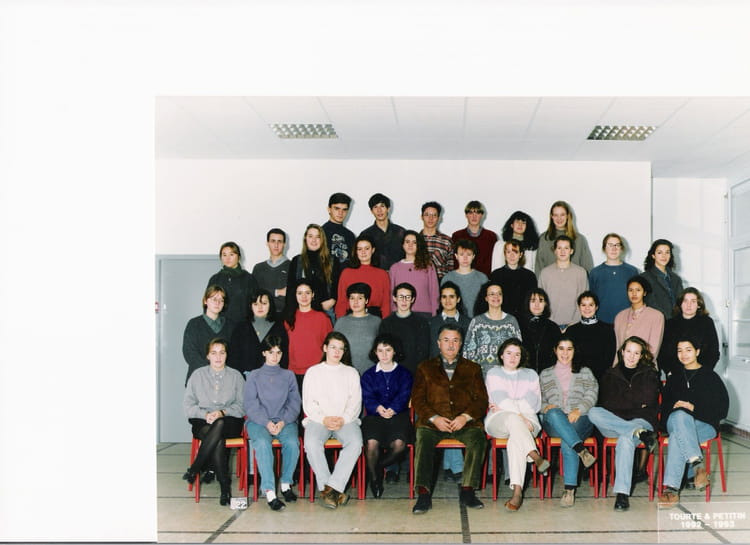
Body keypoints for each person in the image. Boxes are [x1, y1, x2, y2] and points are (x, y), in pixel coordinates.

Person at [411, 323, 489, 514]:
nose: (451, 345)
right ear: (438, 343)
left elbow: (481, 400)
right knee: (422, 439)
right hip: (433, 424)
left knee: (478, 439)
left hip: (464, 423)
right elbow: (418, 399)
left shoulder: (472, 368)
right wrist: (434, 418)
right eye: (446, 340)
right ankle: (423, 494)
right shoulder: (425, 367)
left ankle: (468, 490)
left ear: (461, 344)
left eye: (455, 340)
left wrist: (465, 417)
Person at [588, 336, 660, 511]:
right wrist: (634, 402)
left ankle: (622, 494)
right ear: (622, 352)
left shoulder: (649, 374)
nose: (631, 356)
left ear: (641, 355)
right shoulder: (609, 374)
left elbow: (648, 399)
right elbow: (607, 403)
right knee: (593, 412)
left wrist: (624, 402)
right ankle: (639, 433)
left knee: (626, 440)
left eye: (636, 353)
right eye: (628, 351)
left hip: (641, 420)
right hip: (616, 424)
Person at [658, 337, 729, 509]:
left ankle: (671, 489)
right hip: (675, 422)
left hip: (704, 426)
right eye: (679, 350)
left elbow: (721, 410)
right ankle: (697, 466)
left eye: (688, 350)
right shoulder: (674, 377)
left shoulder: (711, 377)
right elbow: (663, 409)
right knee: (679, 417)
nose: (683, 354)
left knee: (677, 437)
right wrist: (676, 408)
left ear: (697, 351)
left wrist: (693, 408)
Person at [484, 338, 550, 511]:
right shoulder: (494, 373)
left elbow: (533, 404)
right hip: (498, 420)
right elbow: (500, 399)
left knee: (516, 438)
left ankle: (517, 493)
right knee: (514, 420)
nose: (513, 358)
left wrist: (509, 406)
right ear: (501, 355)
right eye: (509, 353)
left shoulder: (531, 375)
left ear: (522, 356)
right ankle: (535, 455)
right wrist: (519, 413)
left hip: (529, 421)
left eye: (517, 354)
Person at [302, 332, 363, 509]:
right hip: (319, 419)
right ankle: (332, 490)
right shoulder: (313, 372)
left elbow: (355, 402)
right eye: (333, 347)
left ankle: (331, 488)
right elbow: (309, 403)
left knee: (355, 443)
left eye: (341, 349)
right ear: (325, 348)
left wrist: (343, 419)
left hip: (346, 420)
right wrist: (324, 418)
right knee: (311, 443)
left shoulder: (351, 372)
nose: (337, 352)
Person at [183, 338, 245, 506]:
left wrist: (223, 412)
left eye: (222, 353)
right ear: (207, 356)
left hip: (229, 420)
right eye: (214, 353)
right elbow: (188, 406)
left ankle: (195, 468)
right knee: (217, 437)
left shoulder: (236, 376)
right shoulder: (197, 375)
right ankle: (225, 488)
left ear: (227, 355)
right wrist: (205, 415)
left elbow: (242, 406)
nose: (218, 357)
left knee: (220, 424)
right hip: (203, 422)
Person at [539, 336, 598, 508]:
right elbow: (538, 400)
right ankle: (581, 450)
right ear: (555, 350)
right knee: (554, 413)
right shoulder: (545, 374)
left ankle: (569, 490)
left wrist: (578, 410)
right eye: (561, 348)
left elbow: (592, 394)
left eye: (569, 349)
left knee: (568, 438)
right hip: (554, 421)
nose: (565, 353)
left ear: (574, 351)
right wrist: (545, 407)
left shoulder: (585, 372)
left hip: (580, 419)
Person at [243, 336, 301, 511]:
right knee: (262, 443)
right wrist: (266, 422)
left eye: (278, 352)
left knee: (292, 443)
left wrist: (283, 421)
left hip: (284, 421)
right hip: (258, 421)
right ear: (264, 353)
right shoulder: (254, 376)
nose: (275, 356)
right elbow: (250, 405)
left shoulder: (288, 375)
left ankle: (285, 484)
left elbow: (294, 403)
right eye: (271, 352)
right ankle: (269, 492)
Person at [360, 333, 414, 498]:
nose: (384, 354)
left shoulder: (405, 373)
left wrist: (393, 409)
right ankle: (374, 479)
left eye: (388, 350)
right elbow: (367, 397)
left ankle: (376, 466)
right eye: (380, 350)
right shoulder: (368, 375)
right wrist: (378, 408)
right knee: (371, 444)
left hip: (398, 416)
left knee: (399, 445)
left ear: (394, 351)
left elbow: (404, 395)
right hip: (374, 417)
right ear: (375, 352)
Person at [463, 282, 522, 378]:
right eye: (492, 294)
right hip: (482, 378)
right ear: (486, 298)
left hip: (507, 378)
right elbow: (468, 353)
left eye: (499, 293)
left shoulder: (511, 322)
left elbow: (519, 351)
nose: (496, 296)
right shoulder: (477, 322)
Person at [284, 279, 333, 393]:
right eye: (300, 293)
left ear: (313, 295)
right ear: (295, 295)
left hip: (317, 371)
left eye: (307, 292)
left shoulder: (322, 318)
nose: (304, 296)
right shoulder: (288, 318)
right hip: (294, 372)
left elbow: (330, 345)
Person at [660, 287, 720, 378]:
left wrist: (704, 371)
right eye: (685, 301)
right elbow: (663, 351)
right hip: (675, 373)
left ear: (699, 305)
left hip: (700, 373)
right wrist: (669, 371)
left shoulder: (707, 322)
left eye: (693, 301)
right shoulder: (670, 323)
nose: (689, 305)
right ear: (680, 304)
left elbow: (713, 351)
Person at [286, 224, 341, 322]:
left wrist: (332, 300)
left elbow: (338, 285)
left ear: (322, 240)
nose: (314, 240)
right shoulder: (297, 261)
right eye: (310, 236)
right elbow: (290, 289)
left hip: (325, 310)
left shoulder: (332, 261)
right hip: (302, 310)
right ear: (305, 239)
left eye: (318, 237)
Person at [182, 285, 236, 385]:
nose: (217, 303)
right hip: (199, 379)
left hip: (224, 380)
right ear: (205, 301)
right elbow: (189, 353)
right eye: (214, 299)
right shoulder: (194, 324)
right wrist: (210, 373)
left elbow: (234, 354)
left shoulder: (231, 326)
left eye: (221, 300)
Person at [228, 288, 289, 376]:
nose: (260, 307)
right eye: (255, 304)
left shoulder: (279, 327)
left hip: (272, 377)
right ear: (250, 306)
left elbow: (284, 357)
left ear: (270, 304)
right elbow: (233, 358)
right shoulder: (240, 327)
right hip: (245, 378)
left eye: (264, 303)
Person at [378, 282, 430, 376]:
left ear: (413, 299)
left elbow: (423, 351)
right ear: (394, 298)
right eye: (401, 297)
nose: (404, 301)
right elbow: (383, 349)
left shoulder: (421, 322)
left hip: (415, 371)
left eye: (408, 297)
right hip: (392, 370)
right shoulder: (386, 323)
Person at [538, 235, 589, 330]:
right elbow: (541, 301)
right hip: (550, 325)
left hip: (575, 325)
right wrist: (550, 324)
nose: (562, 251)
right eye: (559, 248)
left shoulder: (581, 273)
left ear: (571, 251)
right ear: (555, 251)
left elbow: (584, 301)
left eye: (566, 248)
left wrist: (573, 324)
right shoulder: (545, 273)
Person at [335, 234, 392, 319]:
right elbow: (341, 302)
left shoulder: (383, 274)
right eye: (359, 249)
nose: (363, 252)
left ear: (373, 250)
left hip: (375, 318)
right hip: (351, 318)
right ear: (356, 251)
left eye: (367, 248)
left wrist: (385, 324)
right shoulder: (346, 273)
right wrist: (341, 322)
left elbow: (386, 304)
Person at [565, 291, 616, 382]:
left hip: (600, 378)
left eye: (591, 305)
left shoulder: (607, 329)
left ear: (596, 307)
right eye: (583, 305)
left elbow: (609, 358)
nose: (587, 308)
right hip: (576, 378)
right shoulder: (571, 330)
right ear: (579, 307)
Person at [588, 233, 639, 324]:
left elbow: (637, 298)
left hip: (627, 321)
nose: (614, 248)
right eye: (610, 245)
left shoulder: (632, 271)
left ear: (621, 248)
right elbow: (592, 300)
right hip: (602, 322)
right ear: (604, 248)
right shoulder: (595, 273)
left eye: (617, 245)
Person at [613, 275, 665, 363]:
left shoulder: (657, 316)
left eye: (638, 290)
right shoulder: (619, 316)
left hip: (645, 367)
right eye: (630, 290)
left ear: (644, 293)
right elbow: (618, 347)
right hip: (622, 367)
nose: (634, 293)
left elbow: (653, 350)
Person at [333, 282, 382, 375]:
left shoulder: (376, 322)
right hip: (346, 373)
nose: (355, 302)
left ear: (366, 300)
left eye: (360, 298)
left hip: (371, 373)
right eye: (352, 298)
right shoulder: (341, 322)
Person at [389, 230, 439, 318]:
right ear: (403, 245)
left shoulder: (428, 266)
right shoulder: (394, 268)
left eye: (414, 242)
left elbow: (434, 292)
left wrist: (435, 314)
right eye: (407, 242)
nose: (410, 245)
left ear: (418, 245)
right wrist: (394, 313)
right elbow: (391, 294)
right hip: (401, 313)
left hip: (424, 313)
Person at [207, 241, 259, 323]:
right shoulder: (215, 279)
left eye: (231, 254)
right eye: (224, 255)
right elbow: (208, 305)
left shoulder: (249, 279)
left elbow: (256, 304)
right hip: (220, 325)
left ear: (239, 257)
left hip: (243, 324)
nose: (227, 258)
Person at [535, 201, 594, 273]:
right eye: (556, 215)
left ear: (568, 216)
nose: (559, 218)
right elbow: (539, 268)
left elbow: (588, 269)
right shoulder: (544, 239)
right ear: (551, 217)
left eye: (562, 215)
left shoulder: (580, 239)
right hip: (550, 280)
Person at [489, 240, 538, 319]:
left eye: (515, 252)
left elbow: (532, 301)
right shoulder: (496, 275)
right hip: (501, 318)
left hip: (523, 318)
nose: (512, 255)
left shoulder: (530, 276)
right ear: (505, 254)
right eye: (508, 252)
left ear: (520, 254)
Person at [441, 238, 488, 319]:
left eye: (469, 255)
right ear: (456, 256)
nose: (465, 258)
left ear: (473, 256)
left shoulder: (482, 278)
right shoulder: (447, 278)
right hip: (454, 321)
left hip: (478, 320)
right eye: (462, 254)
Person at [359, 193, 406, 271]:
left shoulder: (400, 232)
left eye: (382, 206)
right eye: (375, 207)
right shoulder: (366, 234)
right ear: (371, 211)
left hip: (399, 274)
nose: (379, 210)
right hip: (375, 275)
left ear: (388, 208)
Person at [519, 288, 561, 374]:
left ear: (546, 304)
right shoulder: (519, 325)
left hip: (548, 373)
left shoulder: (553, 327)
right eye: (533, 300)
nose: (537, 304)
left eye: (541, 301)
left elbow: (558, 353)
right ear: (527, 303)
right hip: (524, 373)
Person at [451, 200, 498, 276]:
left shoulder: (491, 237)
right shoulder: (457, 236)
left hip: (485, 278)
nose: (474, 216)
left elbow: (494, 262)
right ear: (466, 215)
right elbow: (454, 262)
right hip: (462, 277)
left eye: (477, 213)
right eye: (470, 213)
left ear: (482, 215)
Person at [642, 239, 685, 320]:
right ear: (653, 255)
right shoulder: (645, 278)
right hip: (656, 322)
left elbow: (681, 302)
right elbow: (649, 303)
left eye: (667, 252)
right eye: (660, 252)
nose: (664, 256)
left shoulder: (676, 279)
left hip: (677, 322)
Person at [251, 228, 290, 317]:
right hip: (262, 316)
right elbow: (254, 292)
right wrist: (278, 292)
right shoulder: (258, 268)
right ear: (267, 243)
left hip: (284, 316)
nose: (276, 245)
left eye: (279, 241)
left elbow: (292, 293)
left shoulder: (292, 266)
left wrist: (266, 291)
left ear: (284, 244)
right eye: (273, 241)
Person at [428, 281, 471, 358]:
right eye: (444, 297)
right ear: (440, 300)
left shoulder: (468, 323)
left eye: (451, 297)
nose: (448, 300)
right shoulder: (430, 323)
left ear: (458, 299)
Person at [420, 201, 454, 280]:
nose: (430, 218)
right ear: (422, 217)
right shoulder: (414, 240)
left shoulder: (447, 241)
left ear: (439, 218)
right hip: (419, 281)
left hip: (441, 282)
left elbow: (451, 269)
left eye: (434, 215)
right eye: (427, 215)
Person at [322, 192, 356, 267]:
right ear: (329, 209)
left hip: (347, 274)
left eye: (344, 209)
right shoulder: (320, 233)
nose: (340, 213)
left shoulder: (350, 235)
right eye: (337, 208)